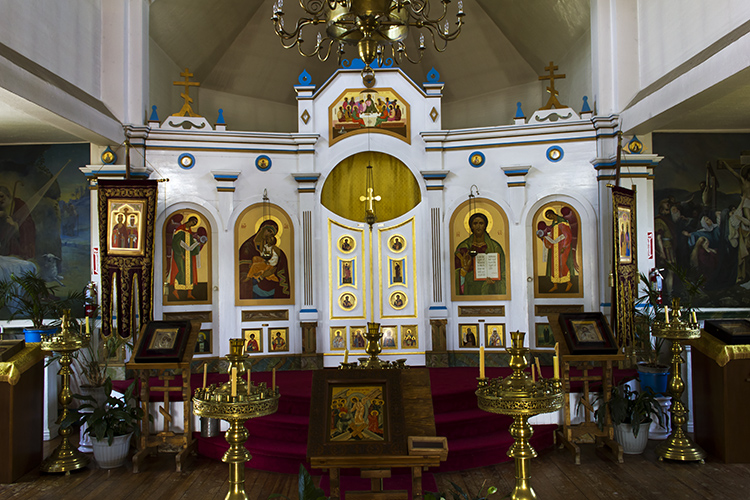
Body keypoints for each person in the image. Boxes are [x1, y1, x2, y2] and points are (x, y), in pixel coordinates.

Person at [454, 212, 506, 295]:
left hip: (490, 290)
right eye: (475, 223)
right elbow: (454, 273)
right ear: (471, 226)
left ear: (485, 225)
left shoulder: (495, 247)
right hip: (470, 289)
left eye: (481, 223)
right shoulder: (463, 248)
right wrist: (464, 270)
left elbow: (503, 271)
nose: (478, 226)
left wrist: (495, 282)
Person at [239, 219, 290, 300]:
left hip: (270, 289)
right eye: (269, 230)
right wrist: (261, 276)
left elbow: (277, 263)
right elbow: (243, 275)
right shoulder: (247, 247)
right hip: (254, 290)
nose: (269, 235)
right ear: (261, 228)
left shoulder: (270, 248)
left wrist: (278, 252)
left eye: (272, 234)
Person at [537, 208, 578, 292]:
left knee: (562, 264)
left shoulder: (562, 222)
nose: (549, 217)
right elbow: (552, 237)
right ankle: (555, 285)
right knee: (553, 266)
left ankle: (568, 283)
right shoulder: (553, 224)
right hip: (554, 248)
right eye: (548, 217)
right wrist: (544, 238)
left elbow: (567, 235)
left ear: (553, 213)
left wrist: (564, 247)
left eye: (549, 215)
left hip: (562, 247)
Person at [168, 216, 205, 300]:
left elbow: (192, 245)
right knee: (181, 270)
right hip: (180, 255)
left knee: (190, 273)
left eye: (195, 223)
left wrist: (198, 245)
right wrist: (181, 254)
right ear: (190, 220)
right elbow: (175, 243)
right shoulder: (180, 230)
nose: (193, 224)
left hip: (189, 256)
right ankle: (175, 290)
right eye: (193, 222)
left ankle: (189, 293)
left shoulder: (190, 232)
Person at [0, 185, 36, 259]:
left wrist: (14, 224)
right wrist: (3, 216)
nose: (0, 199)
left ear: (8, 195)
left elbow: (29, 225)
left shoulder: (19, 204)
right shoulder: (1, 208)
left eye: (1, 196)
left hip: (19, 247)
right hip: (4, 248)